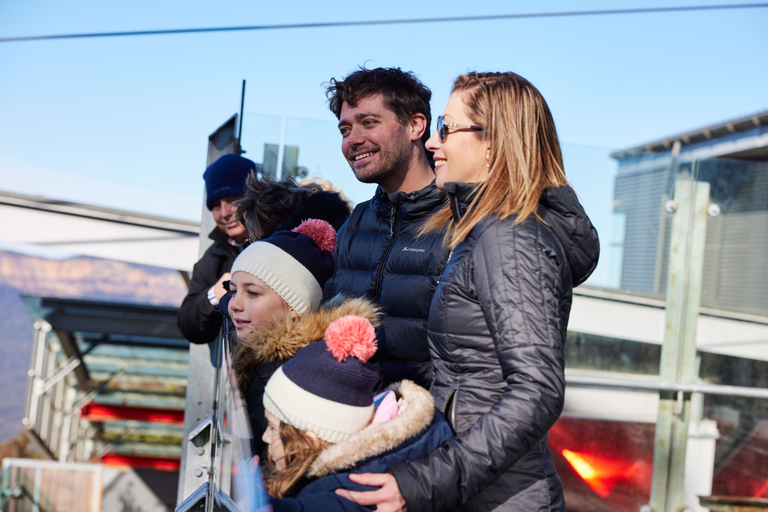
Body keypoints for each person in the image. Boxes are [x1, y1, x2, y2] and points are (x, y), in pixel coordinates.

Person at [337, 72, 600, 511]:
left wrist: (424, 481)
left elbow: (537, 391)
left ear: (493, 142)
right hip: (472, 487)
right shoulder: (481, 230)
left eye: (447, 128)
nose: (435, 144)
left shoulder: (510, 239)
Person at [325, 66, 450, 389]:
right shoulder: (356, 223)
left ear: (415, 126)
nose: (353, 140)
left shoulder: (461, 220)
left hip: (433, 431)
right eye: (344, 129)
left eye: (369, 122)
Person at [260, 315, 453, 511]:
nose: (265, 437)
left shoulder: (347, 492)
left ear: (310, 442)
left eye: (273, 428)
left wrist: (249, 493)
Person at [228, 218, 339, 456]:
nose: (234, 304)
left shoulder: (284, 376)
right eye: (233, 290)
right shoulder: (264, 360)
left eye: (252, 293)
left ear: (294, 306)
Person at [178, 154, 254, 345]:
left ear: (252, 198)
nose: (224, 213)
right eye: (215, 206)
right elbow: (188, 326)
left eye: (232, 200)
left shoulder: (278, 241)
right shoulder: (211, 258)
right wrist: (213, 295)